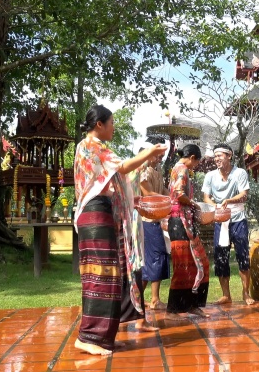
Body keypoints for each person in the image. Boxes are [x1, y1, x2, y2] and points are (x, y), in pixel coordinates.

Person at [73, 105, 167, 355]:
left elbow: (118, 178)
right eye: (112, 122)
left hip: (101, 214)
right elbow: (124, 168)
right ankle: (88, 337)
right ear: (99, 125)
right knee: (99, 276)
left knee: (111, 277)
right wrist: (148, 153)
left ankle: (102, 337)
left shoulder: (93, 147)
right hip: (94, 214)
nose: (114, 127)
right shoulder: (92, 145)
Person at [202, 143, 254, 306]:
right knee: (221, 257)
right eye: (215, 156)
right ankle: (226, 295)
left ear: (229, 156)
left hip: (238, 218)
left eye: (220, 155)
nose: (217, 159)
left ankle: (246, 293)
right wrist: (215, 207)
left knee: (243, 256)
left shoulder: (240, 173)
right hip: (220, 218)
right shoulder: (210, 175)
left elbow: (244, 195)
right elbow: (206, 197)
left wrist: (229, 201)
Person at [166, 144, 210, 320]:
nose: (197, 166)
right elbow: (178, 194)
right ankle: (173, 310)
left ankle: (192, 304)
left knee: (199, 263)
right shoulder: (182, 169)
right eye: (197, 162)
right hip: (179, 221)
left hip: (184, 222)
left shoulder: (177, 169)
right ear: (192, 157)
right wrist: (194, 204)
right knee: (183, 266)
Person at [139, 140, 169, 312]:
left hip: (155, 219)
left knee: (154, 260)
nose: (160, 160)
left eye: (162, 157)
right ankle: (154, 299)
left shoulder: (157, 170)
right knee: (156, 258)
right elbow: (149, 193)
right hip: (147, 221)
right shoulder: (142, 171)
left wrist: (172, 197)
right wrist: (168, 201)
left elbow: (163, 189)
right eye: (158, 156)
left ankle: (138, 299)